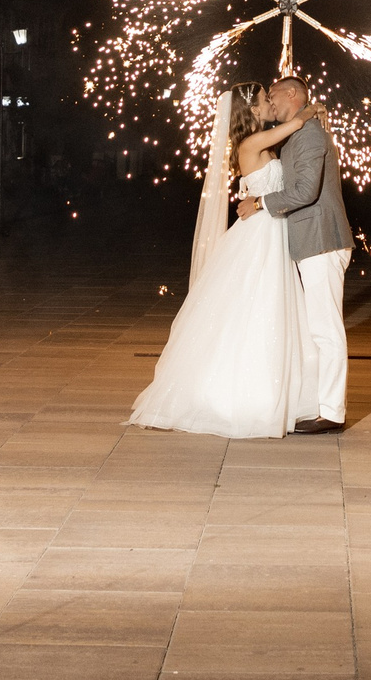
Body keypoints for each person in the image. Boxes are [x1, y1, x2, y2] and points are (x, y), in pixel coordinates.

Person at [127, 84, 314, 439]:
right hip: (260, 234)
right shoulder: (251, 144)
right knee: (257, 304)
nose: (269, 102)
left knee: (266, 306)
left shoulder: (260, 141)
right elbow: (295, 125)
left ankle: (275, 389)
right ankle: (244, 395)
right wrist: (309, 109)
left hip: (269, 230)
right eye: (264, 99)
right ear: (253, 110)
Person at [238, 75, 355, 434]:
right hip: (311, 240)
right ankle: (321, 403)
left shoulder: (308, 134)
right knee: (318, 327)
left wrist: (259, 202)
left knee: (326, 329)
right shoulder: (300, 130)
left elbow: (305, 191)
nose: (270, 104)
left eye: (273, 96)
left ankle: (332, 412)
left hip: (322, 238)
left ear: (291, 94)